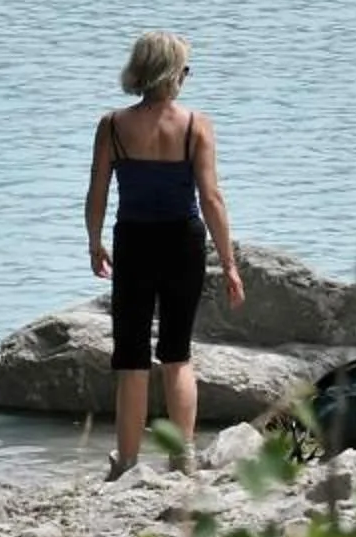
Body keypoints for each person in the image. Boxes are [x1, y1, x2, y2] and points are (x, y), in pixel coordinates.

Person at [84, 30, 243, 479]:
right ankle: (183, 455)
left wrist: (94, 241)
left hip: (133, 242)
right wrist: (229, 263)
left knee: (130, 355)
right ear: (173, 74)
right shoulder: (196, 126)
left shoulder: (113, 126)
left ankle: (128, 461)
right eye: (186, 70)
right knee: (177, 352)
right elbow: (212, 198)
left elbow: (97, 193)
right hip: (183, 243)